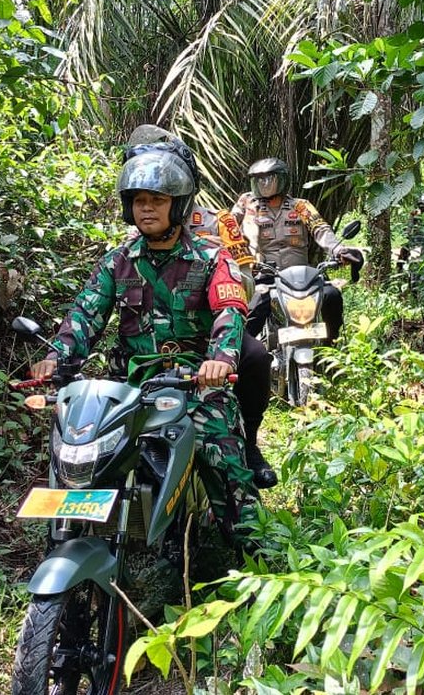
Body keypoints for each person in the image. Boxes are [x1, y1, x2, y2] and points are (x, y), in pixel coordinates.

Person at [30, 146, 259, 550]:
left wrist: (219, 360)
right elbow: (84, 315)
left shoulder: (211, 258)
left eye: (157, 200)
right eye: (139, 201)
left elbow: (230, 311)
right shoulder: (117, 262)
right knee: (79, 446)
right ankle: (72, 539)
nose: (147, 209)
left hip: (193, 382)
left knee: (223, 456)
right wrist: (56, 357)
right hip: (130, 384)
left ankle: (253, 548)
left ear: (179, 205)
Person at [124, 125, 276, 489]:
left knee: (254, 356)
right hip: (153, 345)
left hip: (210, 332)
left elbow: (243, 272)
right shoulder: (134, 237)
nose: (149, 203)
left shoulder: (217, 221)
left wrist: (217, 280)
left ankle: (249, 443)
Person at [232, 157, 364, 341]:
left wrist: (338, 250)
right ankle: (243, 357)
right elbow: (227, 225)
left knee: (332, 295)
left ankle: (330, 346)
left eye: (269, 178)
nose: (263, 183)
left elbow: (320, 228)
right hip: (265, 275)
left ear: (282, 179)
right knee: (252, 313)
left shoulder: (300, 206)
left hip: (303, 276)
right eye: (259, 179)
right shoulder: (247, 203)